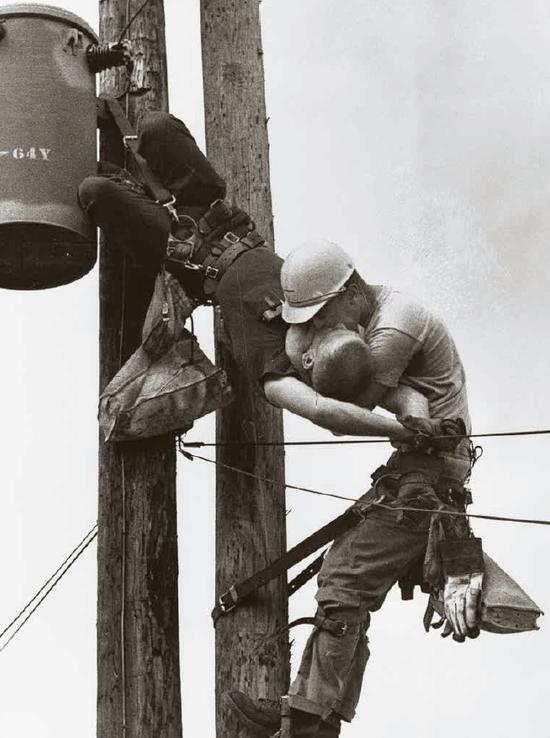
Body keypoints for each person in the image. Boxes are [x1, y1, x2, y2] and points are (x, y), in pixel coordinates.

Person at [226, 241, 484, 738]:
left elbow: (340, 405)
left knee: (344, 582)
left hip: (426, 478)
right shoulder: (368, 316)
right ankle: (312, 715)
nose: (319, 329)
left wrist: (287, 353)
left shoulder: (392, 329)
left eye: (321, 317)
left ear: (349, 293)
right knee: (346, 582)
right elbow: (398, 396)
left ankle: (304, 723)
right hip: (417, 471)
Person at [78, 112, 432, 444]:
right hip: (217, 214)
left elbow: (325, 412)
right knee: (155, 126)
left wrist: (393, 433)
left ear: (309, 362)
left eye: (328, 336)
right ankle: (133, 177)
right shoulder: (332, 331)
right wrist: (420, 426)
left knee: (94, 190)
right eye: (338, 329)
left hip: (185, 253)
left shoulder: (279, 372)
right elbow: (408, 396)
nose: (329, 326)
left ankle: (116, 183)